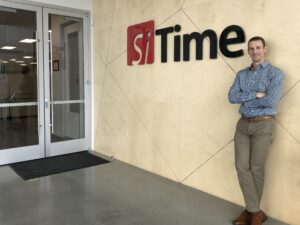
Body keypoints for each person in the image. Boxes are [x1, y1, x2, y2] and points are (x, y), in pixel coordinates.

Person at [228, 36, 284, 225]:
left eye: (258, 47)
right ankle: (255, 211)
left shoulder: (276, 74)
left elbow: (271, 101)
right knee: (241, 167)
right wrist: (257, 94)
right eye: (251, 48)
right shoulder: (241, 75)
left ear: (265, 49)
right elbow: (231, 97)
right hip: (243, 125)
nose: (254, 51)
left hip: (264, 124)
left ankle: (251, 212)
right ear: (248, 51)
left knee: (256, 168)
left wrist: (245, 98)